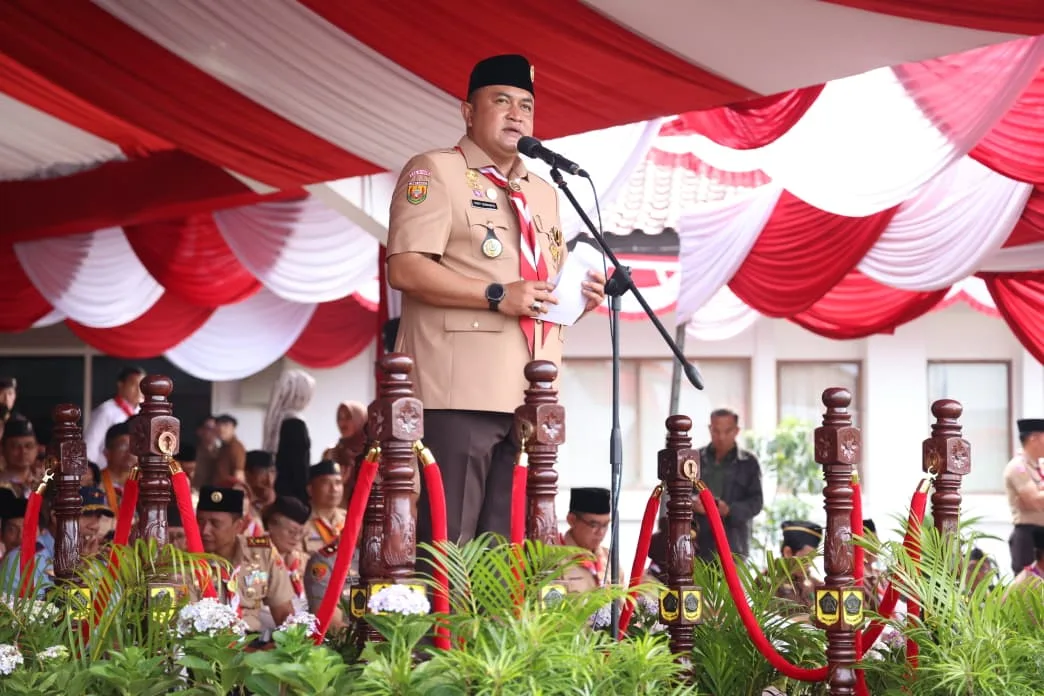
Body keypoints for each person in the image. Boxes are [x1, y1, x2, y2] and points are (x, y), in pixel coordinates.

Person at [386, 54, 606, 554]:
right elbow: (406, 267)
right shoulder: (435, 171)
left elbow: (537, 286)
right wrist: (495, 295)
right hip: (459, 388)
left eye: (526, 105)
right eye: (501, 101)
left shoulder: (544, 192)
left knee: (505, 555)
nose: (516, 115)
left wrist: (576, 300)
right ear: (468, 112)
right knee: (452, 548)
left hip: (532, 393)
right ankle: (437, 615)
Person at [196, 485, 294, 633]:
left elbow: (284, 612)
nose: (205, 531)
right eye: (200, 522)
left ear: (238, 526)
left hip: (252, 639)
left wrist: (286, 641)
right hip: (206, 642)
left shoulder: (262, 553)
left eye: (215, 524)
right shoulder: (185, 561)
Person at [693, 408, 764, 562]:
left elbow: (756, 502)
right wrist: (693, 503)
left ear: (736, 431)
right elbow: (678, 493)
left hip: (734, 546)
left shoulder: (748, 463)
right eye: (716, 431)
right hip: (697, 545)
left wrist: (729, 510)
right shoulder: (694, 459)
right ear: (710, 429)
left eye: (727, 431)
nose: (721, 437)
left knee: (732, 578)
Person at [83, 366, 145, 469]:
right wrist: (95, 474)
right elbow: (90, 448)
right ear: (121, 385)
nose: (139, 391)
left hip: (134, 473)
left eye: (141, 386)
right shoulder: (105, 411)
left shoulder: (142, 412)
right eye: (134, 385)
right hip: (107, 473)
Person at [1003, 418, 1044, 574]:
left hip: (1041, 533)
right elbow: (1033, 500)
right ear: (1034, 438)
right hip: (1028, 535)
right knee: (1028, 582)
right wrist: (1038, 496)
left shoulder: (1039, 466)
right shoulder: (1017, 467)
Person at [560, 487, 611, 592]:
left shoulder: (609, 558)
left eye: (605, 525)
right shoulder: (556, 560)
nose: (600, 532)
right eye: (594, 525)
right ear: (572, 520)